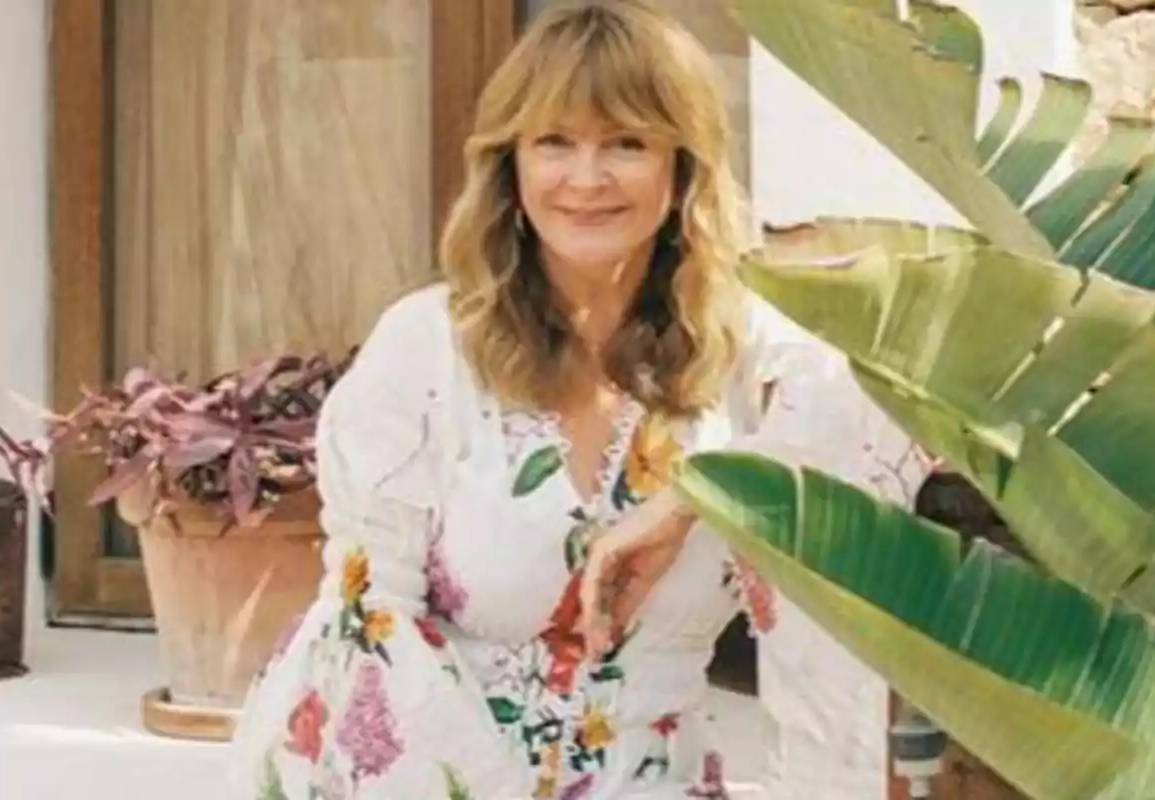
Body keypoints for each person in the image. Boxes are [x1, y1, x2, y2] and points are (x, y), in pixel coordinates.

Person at [228, 1, 923, 798]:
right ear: (511, 165)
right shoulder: (424, 350)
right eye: (555, 142)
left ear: (681, 167)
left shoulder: (740, 346)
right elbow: (365, 634)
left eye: (626, 143)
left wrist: (692, 499)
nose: (586, 179)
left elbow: (884, 419)